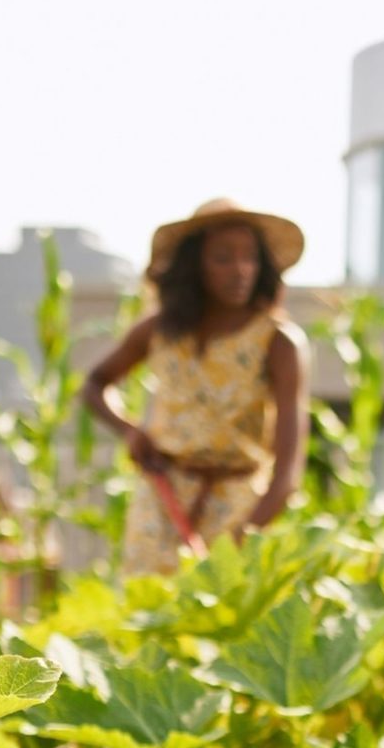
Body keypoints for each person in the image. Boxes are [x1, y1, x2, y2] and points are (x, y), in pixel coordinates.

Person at [83, 198, 310, 576]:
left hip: (239, 508)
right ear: (195, 266)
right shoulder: (158, 331)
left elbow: (287, 475)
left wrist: (242, 537)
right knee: (143, 619)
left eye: (250, 258)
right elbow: (95, 384)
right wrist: (130, 431)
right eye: (223, 258)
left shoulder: (278, 342)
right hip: (161, 502)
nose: (240, 270)